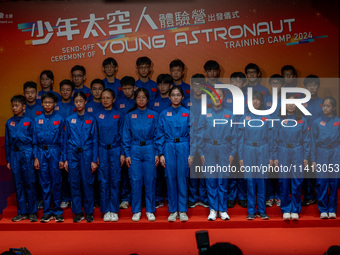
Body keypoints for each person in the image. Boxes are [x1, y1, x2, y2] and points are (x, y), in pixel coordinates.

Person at [196, 88, 237, 221]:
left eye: (219, 95)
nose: (216, 98)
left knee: (223, 180)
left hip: (224, 148)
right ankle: (213, 209)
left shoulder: (230, 114)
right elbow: (199, 135)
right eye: (214, 95)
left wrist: (232, 153)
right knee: (211, 179)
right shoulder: (205, 114)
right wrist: (201, 153)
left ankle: (223, 209)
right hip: (209, 149)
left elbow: (235, 136)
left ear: (223, 97)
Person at [123, 88, 159, 221]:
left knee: (150, 180)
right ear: (135, 99)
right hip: (135, 149)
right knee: (135, 180)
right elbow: (126, 136)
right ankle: (136, 210)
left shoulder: (154, 115)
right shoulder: (129, 116)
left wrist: (157, 152)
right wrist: (127, 154)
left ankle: (150, 210)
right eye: (139, 97)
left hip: (149, 148)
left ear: (148, 99)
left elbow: (158, 135)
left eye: (144, 97)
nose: (141, 100)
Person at [273, 94, 309, 221]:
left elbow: (306, 140)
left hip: (297, 150)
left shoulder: (302, 120)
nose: (291, 105)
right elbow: (274, 139)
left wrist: (305, 156)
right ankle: (286, 209)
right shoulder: (278, 119)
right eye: (288, 102)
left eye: (293, 102)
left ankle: (295, 209)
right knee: (284, 182)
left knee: (297, 182)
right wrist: (275, 156)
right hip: (283, 151)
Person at [156, 86, 190, 222]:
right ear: (169, 97)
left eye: (178, 95)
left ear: (182, 97)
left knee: (182, 178)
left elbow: (193, 135)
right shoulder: (164, 114)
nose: (175, 97)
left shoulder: (187, 113)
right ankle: (172, 210)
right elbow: (159, 134)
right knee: (170, 178)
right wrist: (161, 153)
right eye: (173, 95)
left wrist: (191, 154)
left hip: (183, 146)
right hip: (168, 147)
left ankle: (182, 210)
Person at [64, 92, 99, 223]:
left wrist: (94, 160)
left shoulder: (91, 119)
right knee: (74, 183)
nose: (78, 103)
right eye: (76, 101)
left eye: (81, 101)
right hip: (72, 154)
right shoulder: (69, 119)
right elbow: (65, 140)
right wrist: (66, 159)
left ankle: (89, 212)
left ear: (85, 102)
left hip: (87, 153)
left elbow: (95, 139)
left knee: (87, 183)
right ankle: (78, 212)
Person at [238, 91, 272, 220]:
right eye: (253, 100)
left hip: (263, 149)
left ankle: (262, 210)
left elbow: (271, 138)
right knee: (250, 181)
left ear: (262, 102)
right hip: (248, 149)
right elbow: (240, 138)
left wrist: (271, 156)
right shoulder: (244, 117)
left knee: (262, 180)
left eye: (257, 99)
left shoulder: (267, 117)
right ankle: (251, 210)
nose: (255, 102)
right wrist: (240, 156)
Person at [33, 92, 64, 223]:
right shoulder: (37, 120)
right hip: (41, 152)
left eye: (50, 102)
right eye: (45, 102)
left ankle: (57, 211)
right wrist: (36, 157)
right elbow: (34, 140)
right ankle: (47, 211)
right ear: (42, 104)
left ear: (55, 104)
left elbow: (63, 140)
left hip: (55, 152)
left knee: (56, 182)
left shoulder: (60, 119)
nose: (47, 105)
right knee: (44, 183)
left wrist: (62, 158)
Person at [5, 95, 37, 222]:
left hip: (27, 153)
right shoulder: (9, 122)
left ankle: (32, 212)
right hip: (14, 154)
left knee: (29, 182)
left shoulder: (29, 121)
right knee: (18, 183)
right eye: (12, 105)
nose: (14, 108)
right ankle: (22, 212)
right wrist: (8, 159)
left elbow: (34, 141)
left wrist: (35, 157)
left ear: (23, 107)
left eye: (17, 105)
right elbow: (7, 142)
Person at [95, 88, 124, 222]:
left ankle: (114, 209)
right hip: (102, 150)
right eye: (103, 98)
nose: (105, 100)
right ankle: (106, 209)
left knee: (115, 179)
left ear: (113, 99)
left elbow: (123, 136)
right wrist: (96, 156)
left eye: (108, 98)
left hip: (115, 150)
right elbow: (94, 137)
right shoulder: (97, 115)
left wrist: (123, 153)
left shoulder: (118, 115)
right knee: (103, 180)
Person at [311, 97, 339, 219]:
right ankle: (323, 209)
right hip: (321, 152)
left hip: (335, 152)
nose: (325, 108)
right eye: (324, 106)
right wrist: (313, 160)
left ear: (333, 108)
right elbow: (312, 142)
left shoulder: (338, 121)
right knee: (322, 181)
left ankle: (332, 209)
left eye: (328, 106)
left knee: (334, 181)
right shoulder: (316, 122)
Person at [147, 74, 173, 208]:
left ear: (170, 86)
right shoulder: (151, 102)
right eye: (160, 84)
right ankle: (157, 198)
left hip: (170, 141)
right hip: (153, 141)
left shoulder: (174, 101)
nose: (162, 87)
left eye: (165, 84)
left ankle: (170, 196)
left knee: (169, 171)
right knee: (155, 172)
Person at [225, 72, 247, 209]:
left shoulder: (249, 97)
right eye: (233, 81)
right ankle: (231, 197)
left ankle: (243, 197)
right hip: (229, 138)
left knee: (243, 168)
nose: (236, 84)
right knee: (232, 169)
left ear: (243, 83)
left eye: (239, 81)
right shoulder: (225, 97)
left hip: (244, 136)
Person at [186, 74, 209, 208]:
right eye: (195, 84)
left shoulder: (209, 100)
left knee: (205, 168)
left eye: (201, 84)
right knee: (193, 169)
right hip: (191, 139)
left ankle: (204, 197)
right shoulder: (187, 101)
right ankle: (193, 197)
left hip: (206, 139)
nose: (198, 87)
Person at [114, 76, 136, 210]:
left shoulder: (139, 100)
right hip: (121, 141)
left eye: (129, 88)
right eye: (125, 89)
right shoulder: (118, 103)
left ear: (134, 88)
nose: (127, 91)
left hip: (136, 142)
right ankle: (125, 198)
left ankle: (137, 198)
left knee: (135, 173)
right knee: (123, 173)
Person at [301, 75, 323, 206]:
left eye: (314, 84)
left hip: (319, 142)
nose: (312, 87)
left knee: (319, 168)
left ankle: (320, 195)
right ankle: (309, 195)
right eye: (309, 85)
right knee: (307, 168)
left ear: (318, 86)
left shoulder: (323, 102)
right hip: (304, 140)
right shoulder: (301, 102)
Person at [23, 81, 44, 210]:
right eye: (27, 92)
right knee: (27, 175)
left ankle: (41, 199)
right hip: (25, 148)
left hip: (39, 147)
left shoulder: (41, 108)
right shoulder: (21, 108)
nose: (30, 95)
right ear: (24, 94)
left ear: (37, 94)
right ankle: (30, 200)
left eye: (32, 92)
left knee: (40, 174)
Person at [54, 79, 75, 209]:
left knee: (74, 173)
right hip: (59, 144)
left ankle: (75, 198)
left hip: (74, 143)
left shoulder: (77, 104)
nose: (65, 92)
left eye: (68, 90)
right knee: (61, 172)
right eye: (63, 89)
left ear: (72, 92)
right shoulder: (56, 106)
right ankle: (65, 198)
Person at [265, 74, 284, 207]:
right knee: (268, 167)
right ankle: (269, 195)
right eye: (273, 83)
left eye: (278, 83)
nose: (276, 85)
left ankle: (278, 195)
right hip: (266, 135)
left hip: (281, 136)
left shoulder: (286, 100)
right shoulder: (265, 99)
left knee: (279, 167)